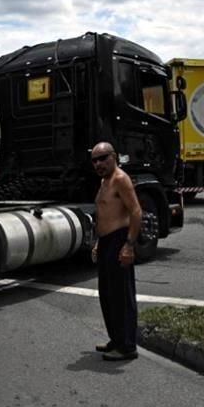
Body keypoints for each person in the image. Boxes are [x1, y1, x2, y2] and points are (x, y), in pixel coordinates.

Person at [89, 142, 142, 361]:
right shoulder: (104, 181)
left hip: (120, 240)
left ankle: (127, 346)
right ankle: (116, 339)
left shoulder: (120, 179)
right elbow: (104, 214)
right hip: (106, 242)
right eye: (95, 160)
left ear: (114, 156)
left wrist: (129, 245)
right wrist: (98, 243)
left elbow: (136, 211)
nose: (99, 163)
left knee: (122, 296)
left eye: (103, 158)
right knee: (108, 294)